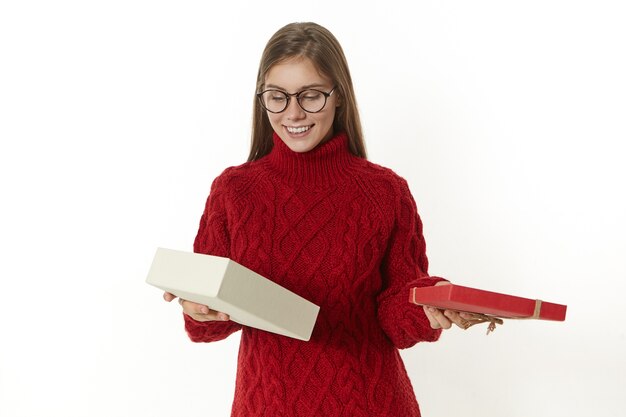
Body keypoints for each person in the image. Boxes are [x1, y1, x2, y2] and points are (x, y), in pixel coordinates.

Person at [163, 22, 478, 417]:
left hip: (371, 404)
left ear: (339, 97)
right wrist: (197, 309)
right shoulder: (233, 192)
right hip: (267, 406)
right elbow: (206, 322)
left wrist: (430, 304)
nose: (293, 113)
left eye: (311, 95)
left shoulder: (386, 192)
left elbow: (396, 318)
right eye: (277, 97)